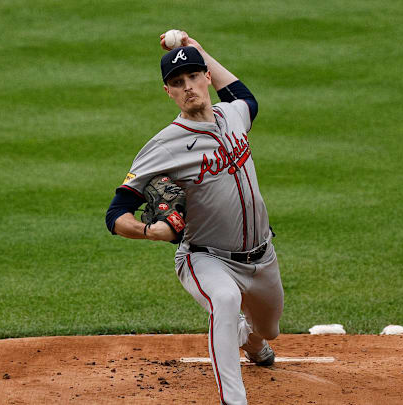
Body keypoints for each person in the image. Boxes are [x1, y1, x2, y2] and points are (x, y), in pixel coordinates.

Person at [105, 31, 285, 405]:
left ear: (206, 77)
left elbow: (245, 96)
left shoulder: (232, 114)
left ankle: (252, 343)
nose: (187, 87)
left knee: (269, 329)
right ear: (168, 92)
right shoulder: (164, 145)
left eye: (192, 76)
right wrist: (147, 232)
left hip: (262, 256)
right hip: (206, 257)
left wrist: (198, 48)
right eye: (176, 83)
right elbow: (116, 212)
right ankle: (233, 400)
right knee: (224, 299)